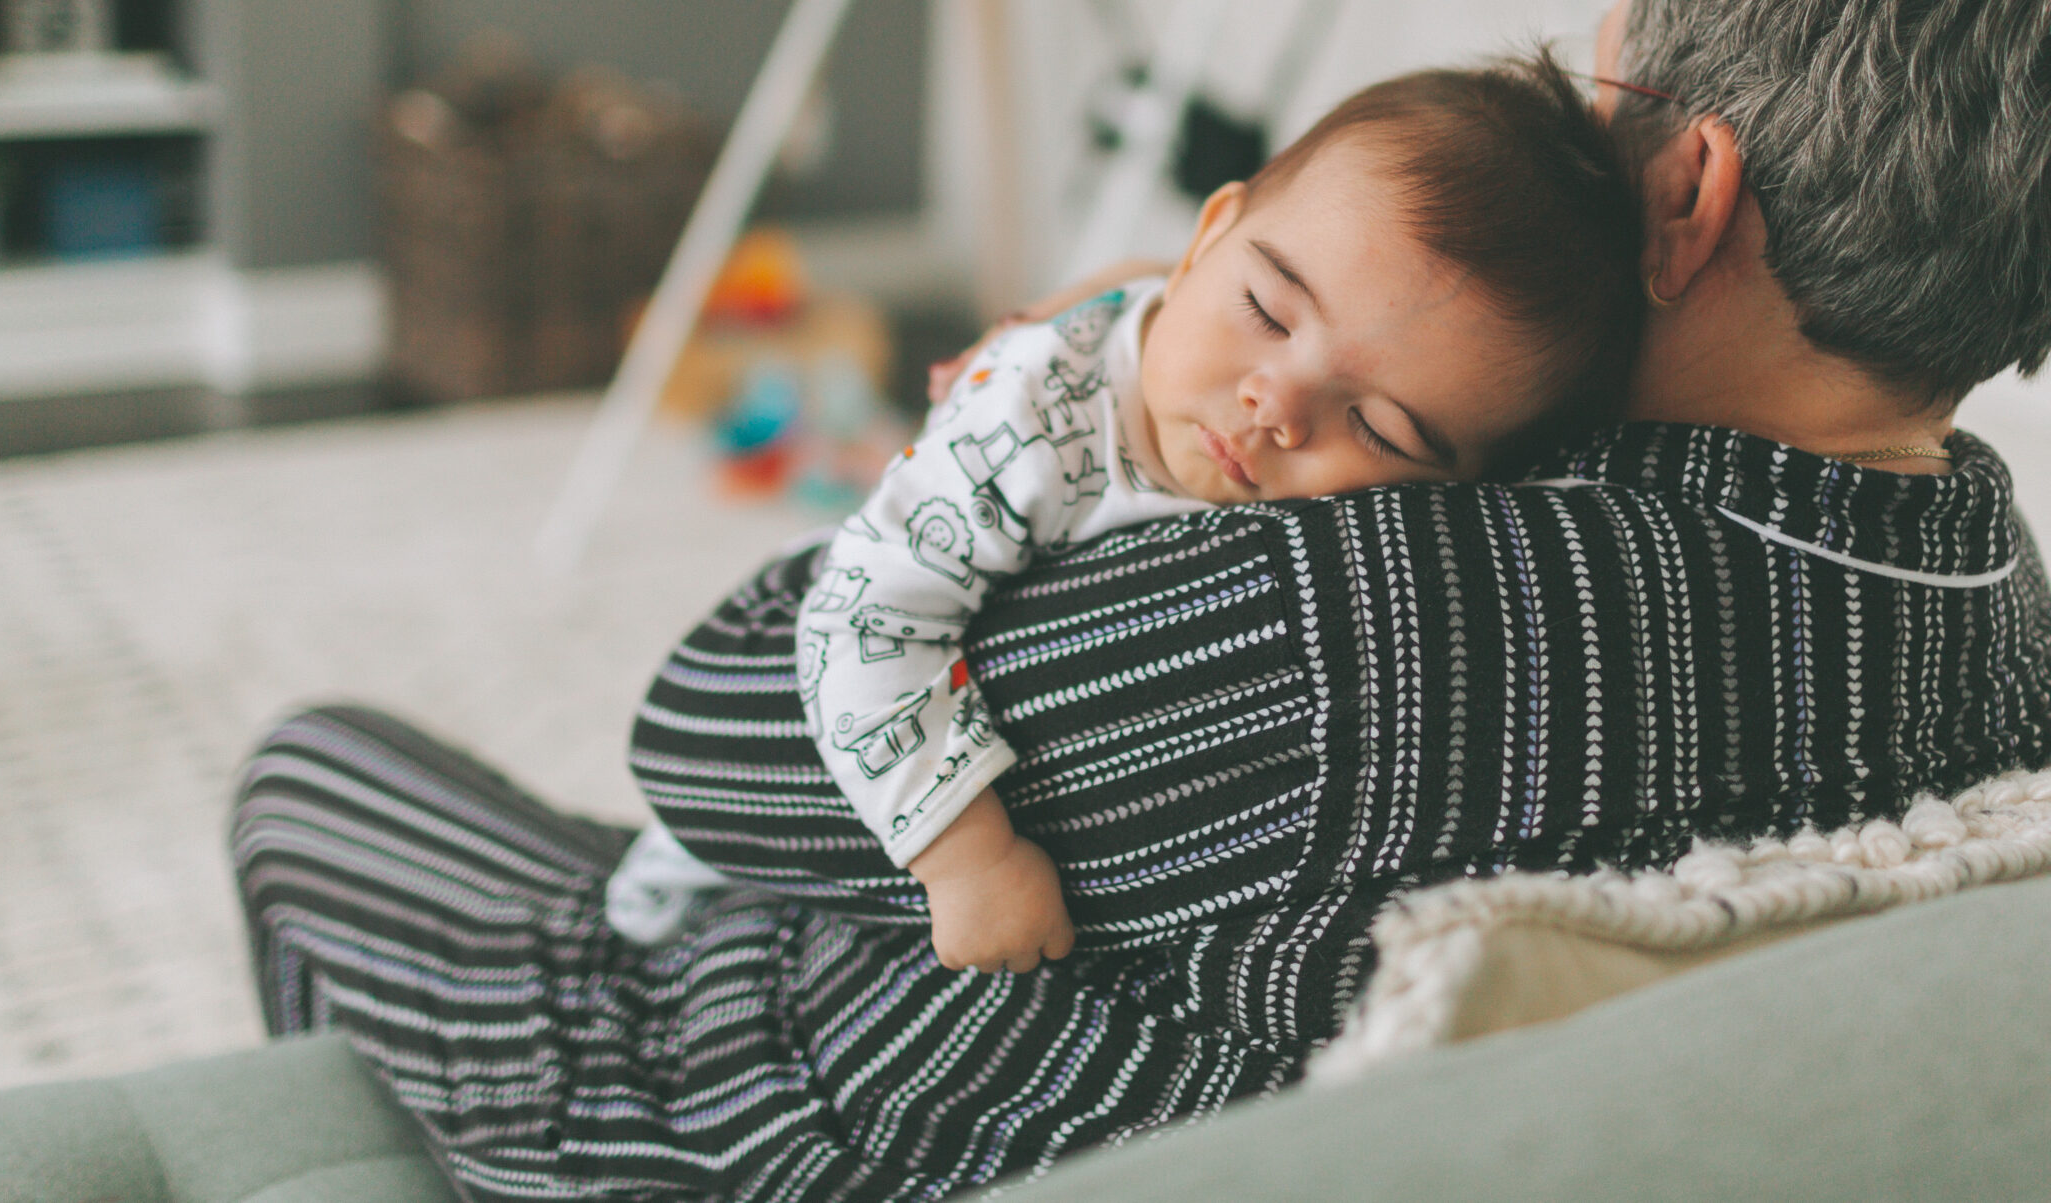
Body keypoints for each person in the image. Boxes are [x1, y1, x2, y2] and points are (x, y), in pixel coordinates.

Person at [232, 0, 2051, 1202]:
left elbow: (711, 728)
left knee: (314, 767)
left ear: (1685, 193)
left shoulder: (1400, 609)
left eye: (1596, 93)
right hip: (1073, 976)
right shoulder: (1987, 582)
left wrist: (1057, 404)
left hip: (783, 1094)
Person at [610, 59, 1640, 975]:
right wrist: (967, 859)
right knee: (698, 899)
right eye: (1268, 313)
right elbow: (863, 622)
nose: (1274, 405)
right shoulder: (1026, 426)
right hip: (836, 701)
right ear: (1204, 240)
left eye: (1379, 428)